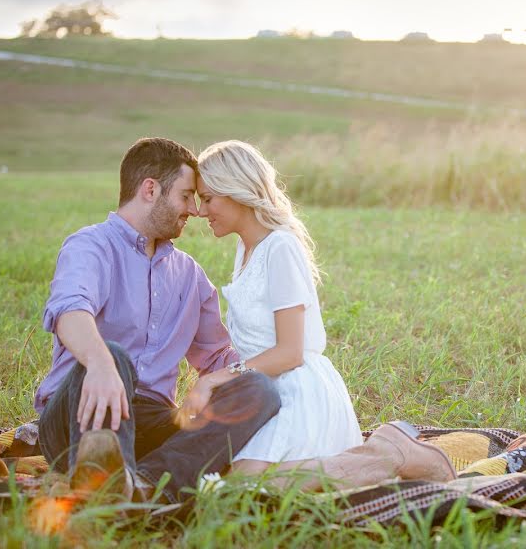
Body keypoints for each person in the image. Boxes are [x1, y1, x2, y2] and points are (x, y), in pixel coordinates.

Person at [34, 137, 281, 503]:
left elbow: (219, 358)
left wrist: (273, 380)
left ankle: (144, 486)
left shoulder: (189, 276)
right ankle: (102, 481)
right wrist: (101, 363)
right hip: (78, 410)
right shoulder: (90, 246)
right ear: (150, 189)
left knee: (257, 389)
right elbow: (70, 311)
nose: (194, 210)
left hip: (151, 420)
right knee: (113, 355)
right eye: (185, 196)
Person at [192, 140, 363, 474]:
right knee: (217, 477)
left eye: (208, 199)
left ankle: (379, 461)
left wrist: (214, 380)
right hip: (263, 390)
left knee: (243, 485)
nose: (200, 211)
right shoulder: (245, 249)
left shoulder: (279, 247)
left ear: (236, 191)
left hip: (298, 390)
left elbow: (290, 353)